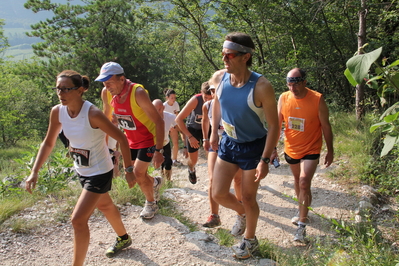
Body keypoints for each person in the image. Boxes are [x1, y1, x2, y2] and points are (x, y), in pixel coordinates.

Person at [24, 70, 136, 266]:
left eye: (66, 89)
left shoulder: (92, 114)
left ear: (80, 90)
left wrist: (129, 171)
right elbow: (48, 143)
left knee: (77, 220)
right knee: (105, 205)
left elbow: (121, 139)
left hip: (100, 171)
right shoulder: (57, 112)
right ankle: (124, 238)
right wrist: (34, 171)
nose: (61, 93)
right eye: (58, 89)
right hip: (82, 169)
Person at [209, 32, 279, 259]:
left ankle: (250, 240)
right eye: (223, 55)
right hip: (229, 143)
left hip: (253, 147)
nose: (224, 59)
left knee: (249, 197)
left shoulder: (261, 86)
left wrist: (265, 159)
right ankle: (242, 214)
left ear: (245, 57)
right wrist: (213, 133)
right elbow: (217, 104)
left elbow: (274, 126)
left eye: (229, 55)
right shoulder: (220, 78)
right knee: (218, 193)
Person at [97, 62, 165, 220]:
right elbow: (106, 118)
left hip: (149, 138)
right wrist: (104, 145)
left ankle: (151, 203)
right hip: (129, 140)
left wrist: (159, 151)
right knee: (139, 176)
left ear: (122, 79)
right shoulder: (106, 93)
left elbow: (159, 121)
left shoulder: (138, 93)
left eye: (110, 82)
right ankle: (154, 183)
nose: (107, 86)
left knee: (137, 173)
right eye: (104, 83)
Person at [277, 68, 334, 243]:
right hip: (291, 148)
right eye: (289, 82)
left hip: (311, 148)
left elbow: (326, 126)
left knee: (303, 181)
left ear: (304, 82)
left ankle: (301, 226)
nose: (292, 86)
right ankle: (303, 210)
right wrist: (271, 148)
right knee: (298, 182)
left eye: (296, 81)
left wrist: (330, 150)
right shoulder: (283, 98)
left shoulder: (317, 99)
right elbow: (277, 124)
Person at [201, 84, 242, 228]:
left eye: (217, 90)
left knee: (238, 180)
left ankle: (241, 214)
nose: (214, 93)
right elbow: (205, 120)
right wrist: (205, 138)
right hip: (216, 144)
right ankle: (214, 216)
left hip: (233, 144)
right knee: (212, 179)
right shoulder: (207, 106)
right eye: (212, 91)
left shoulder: (234, 103)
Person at [175, 81, 213, 184]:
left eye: (211, 98)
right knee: (194, 160)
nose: (208, 101)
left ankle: (212, 181)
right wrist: (190, 137)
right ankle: (191, 169)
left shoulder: (217, 99)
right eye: (206, 98)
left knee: (211, 155)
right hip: (193, 130)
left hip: (209, 128)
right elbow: (178, 119)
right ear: (201, 93)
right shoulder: (195, 100)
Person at [153, 99, 177, 181]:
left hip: (165, 143)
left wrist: (174, 127)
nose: (157, 111)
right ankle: (161, 180)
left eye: (159, 109)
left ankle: (168, 180)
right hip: (153, 144)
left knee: (168, 162)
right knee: (160, 163)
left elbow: (179, 123)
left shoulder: (169, 116)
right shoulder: (148, 117)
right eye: (155, 109)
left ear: (163, 108)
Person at [163, 89, 184, 166]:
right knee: (164, 144)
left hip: (173, 125)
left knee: (175, 143)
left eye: (175, 97)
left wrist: (178, 125)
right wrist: (169, 127)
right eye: (172, 98)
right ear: (167, 97)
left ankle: (174, 160)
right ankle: (164, 160)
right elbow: (162, 118)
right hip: (165, 127)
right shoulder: (163, 106)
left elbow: (177, 115)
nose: (173, 99)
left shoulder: (176, 104)